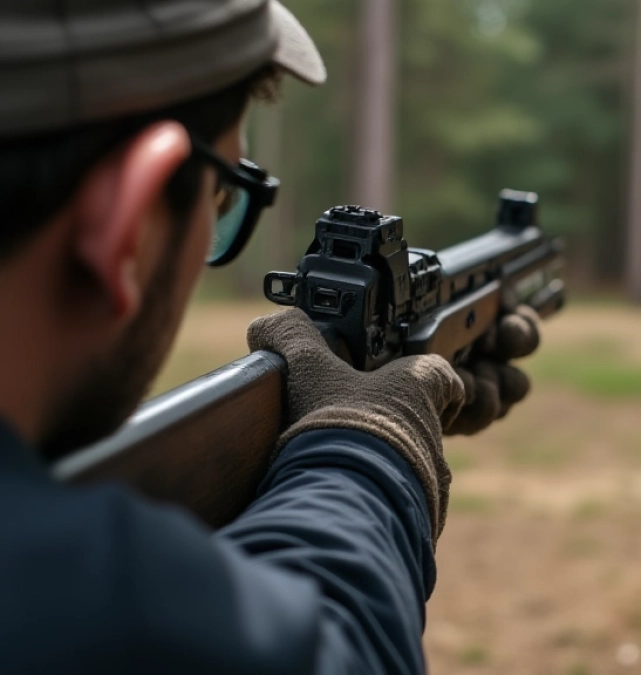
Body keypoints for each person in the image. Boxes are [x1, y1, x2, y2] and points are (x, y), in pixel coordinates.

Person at [0, 1, 540, 672]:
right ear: (128, 224)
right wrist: (368, 447)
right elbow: (331, 646)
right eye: (223, 197)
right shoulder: (103, 598)